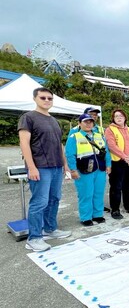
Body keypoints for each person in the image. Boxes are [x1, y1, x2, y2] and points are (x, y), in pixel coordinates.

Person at [18, 87, 71, 252]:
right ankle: (34, 238)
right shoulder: (28, 117)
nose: (47, 100)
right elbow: (24, 143)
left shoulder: (54, 121)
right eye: (43, 98)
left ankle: (50, 229)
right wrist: (32, 167)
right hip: (40, 167)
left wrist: (65, 165)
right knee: (39, 202)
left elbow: (59, 144)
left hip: (56, 167)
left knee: (54, 199)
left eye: (50, 98)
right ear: (35, 99)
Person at [65, 113, 111, 226]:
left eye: (90, 121)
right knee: (86, 194)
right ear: (79, 123)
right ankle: (86, 217)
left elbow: (107, 152)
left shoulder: (100, 136)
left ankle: (98, 215)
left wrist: (108, 165)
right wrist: (73, 170)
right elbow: (70, 155)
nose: (88, 124)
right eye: (85, 121)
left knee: (99, 193)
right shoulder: (74, 137)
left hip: (100, 169)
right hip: (83, 170)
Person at [105, 109, 129, 219]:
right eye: (116, 116)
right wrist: (125, 157)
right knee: (116, 186)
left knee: (128, 185)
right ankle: (115, 209)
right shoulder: (110, 130)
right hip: (117, 162)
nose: (119, 118)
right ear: (113, 119)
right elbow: (111, 146)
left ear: (125, 117)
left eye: (121, 116)